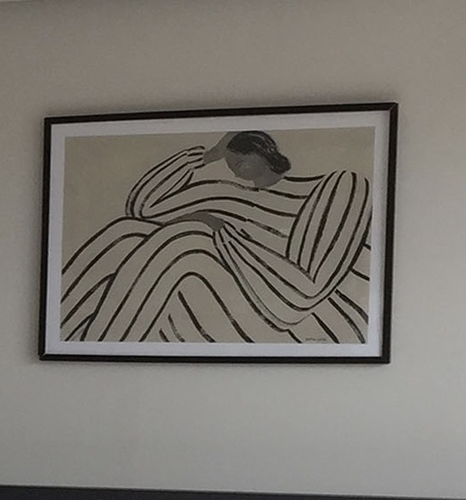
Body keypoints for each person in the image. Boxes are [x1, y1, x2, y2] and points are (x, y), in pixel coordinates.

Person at [59, 129, 372, 346]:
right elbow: (141, 208)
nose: (234, 172)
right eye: (230, 164)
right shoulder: (230, 196)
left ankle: (95, 361)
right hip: (224, 307)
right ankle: (65, 343)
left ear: (263, 154)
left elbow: (299, 297)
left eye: (240, 162)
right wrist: (209, 155)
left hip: (302, 327)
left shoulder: (337, 187)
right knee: (127, 234)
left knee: (188, 239)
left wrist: (220, 234)